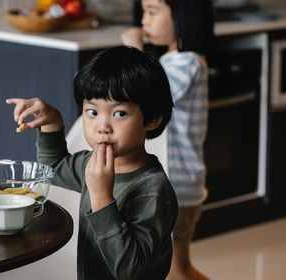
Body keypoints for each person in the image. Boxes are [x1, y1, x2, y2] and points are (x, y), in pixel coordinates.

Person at [6, 46, 178, 280]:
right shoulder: (92, 163)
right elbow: (54, 170)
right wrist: (52, 124)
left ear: (152, 119)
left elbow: (130, 270)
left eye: (119, 113)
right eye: (92, 112)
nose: (102, 126)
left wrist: (101, 197)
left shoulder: (153, 191)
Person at [121, 1, 214, 280]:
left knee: (175, 272)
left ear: (183, 16)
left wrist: (134, 52)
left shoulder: (187, 63)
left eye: (152, 11)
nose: (143, 20)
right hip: (180, 186)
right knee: (179, 269)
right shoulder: (173, 61)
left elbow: (146, 95)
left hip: (177, 186)